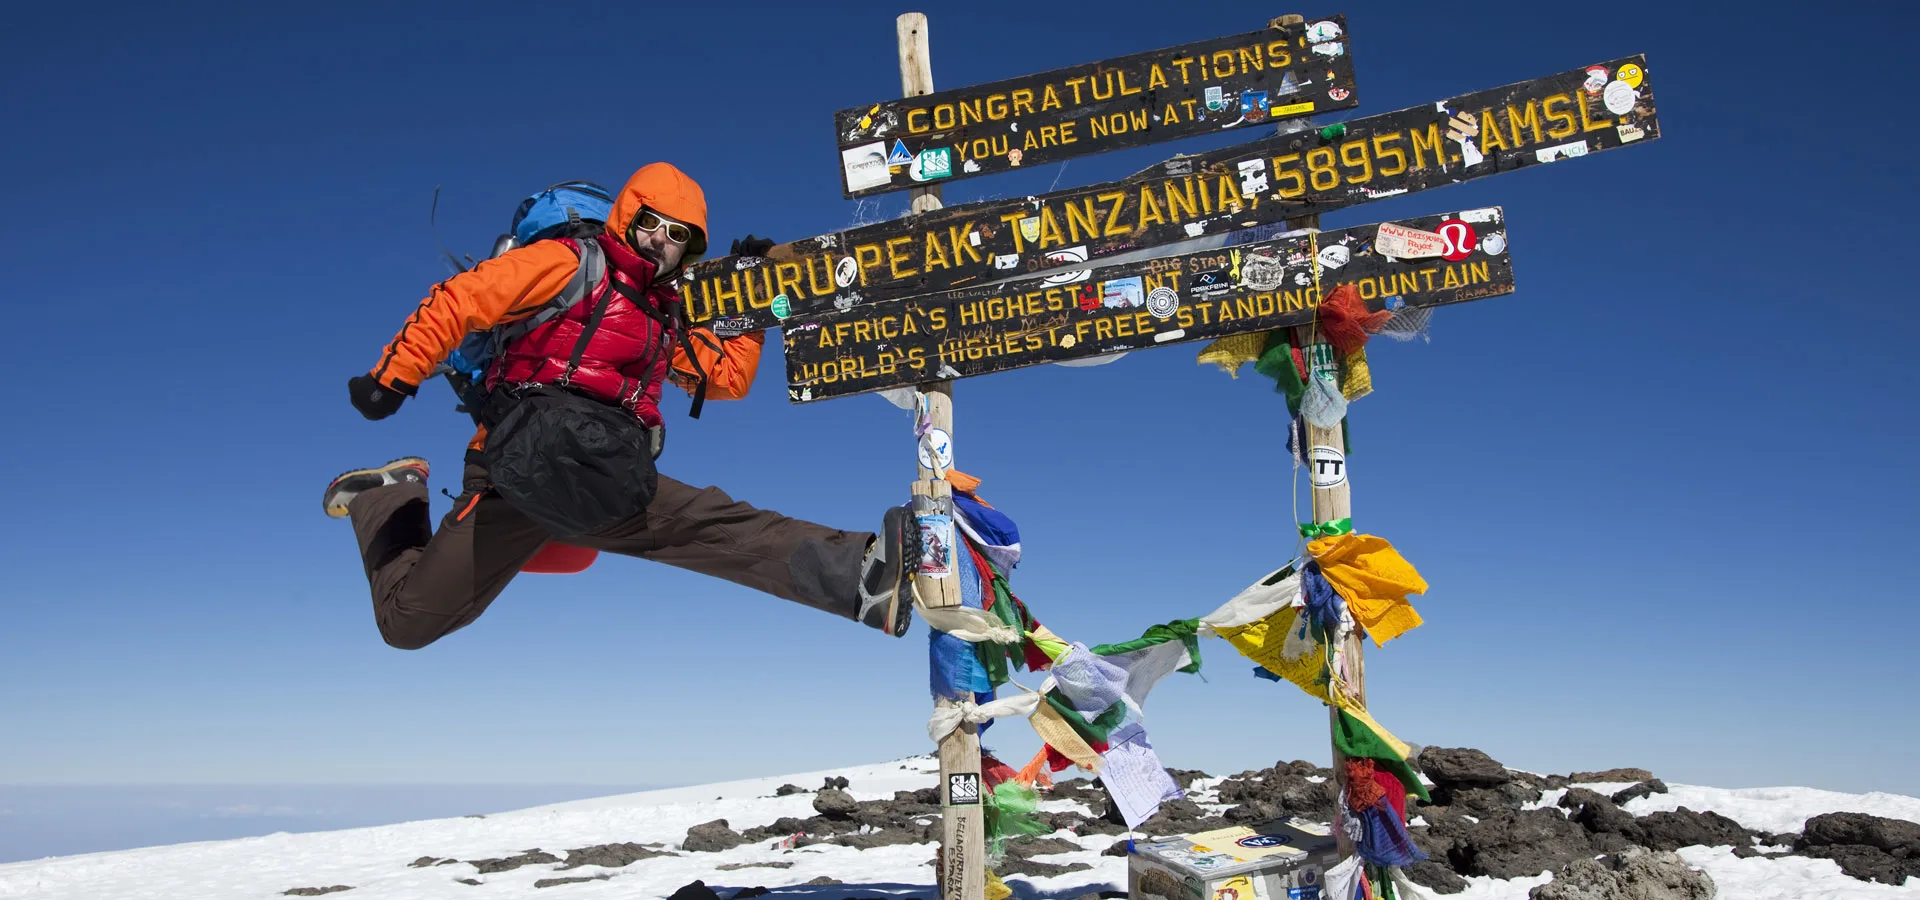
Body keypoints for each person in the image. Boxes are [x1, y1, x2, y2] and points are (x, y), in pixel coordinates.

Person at [323, 162, 916, 650]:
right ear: (629, 215)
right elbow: (464, 298)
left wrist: (749, 307)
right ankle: (390, 495)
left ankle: (860, 577)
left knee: (715, 525)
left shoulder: (666, 315)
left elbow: (727, 379)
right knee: (407, 624)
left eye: (679, 234)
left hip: (604, 473)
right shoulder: (568, 263)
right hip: (517, 466)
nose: (663, 239)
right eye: (654, 222)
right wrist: (392, 378)